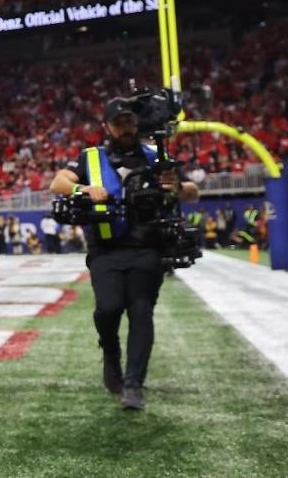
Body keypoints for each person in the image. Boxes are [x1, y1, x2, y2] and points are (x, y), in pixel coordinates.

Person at [50, 96, 199, 411]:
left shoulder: (154, 155)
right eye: (119, 123)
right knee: (108, 308)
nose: (126, 128)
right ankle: (110, 353)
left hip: (147, 247)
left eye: (130, 121)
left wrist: (174, 188)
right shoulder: (90, 158)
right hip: (106, 249)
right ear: (107, 127)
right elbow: (57, 183)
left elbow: (192, 192)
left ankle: (133, 384)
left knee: (141, 311)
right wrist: (84, 190)